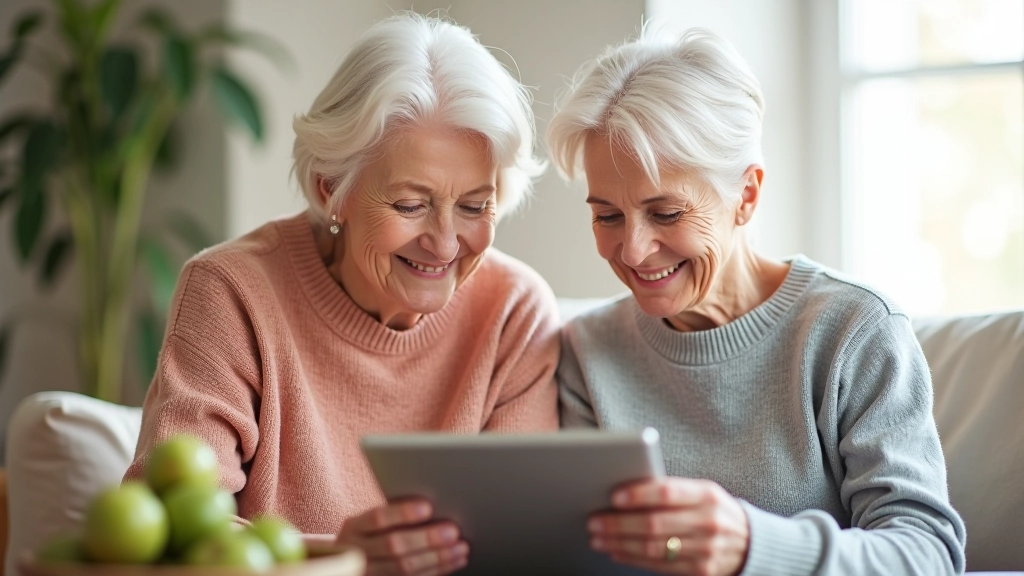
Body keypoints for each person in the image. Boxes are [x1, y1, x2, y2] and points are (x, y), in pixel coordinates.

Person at [124, 13, 559, 575]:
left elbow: (522, 542)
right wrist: (340, 559)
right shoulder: (233, 292)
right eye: (410, 204)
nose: (446, 242)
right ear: (334, 190)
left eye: (475, 205)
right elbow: (173, 529)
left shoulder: (514, 313)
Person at [547, 27, 966, 576]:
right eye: (606, 215)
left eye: (667, 213)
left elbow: (927, 554)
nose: (633, 249)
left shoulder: (853, 330)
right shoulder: (588, 349)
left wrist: (752, 545)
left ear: (745, 195)